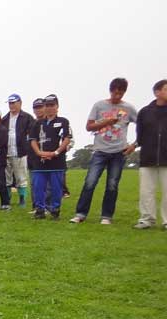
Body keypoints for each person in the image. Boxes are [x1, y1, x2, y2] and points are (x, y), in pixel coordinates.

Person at [70, 77, 138, 224]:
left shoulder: (129, 108)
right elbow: (89, 127)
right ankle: (80, 213)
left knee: (112, 185)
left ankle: (106, 216)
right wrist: (106, 122)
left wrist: (134, 144)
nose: (117, 95)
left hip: (119, 152)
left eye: (121, 93)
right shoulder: (99, 106)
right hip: (100, 150)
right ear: (110, 90)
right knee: (90, 182)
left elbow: (143, 125)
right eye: (115, 92)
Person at [128, 78, 167, 229]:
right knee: (146, 192)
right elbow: (140, 135)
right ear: (157, 92)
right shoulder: (145, 112)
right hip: (147, 158)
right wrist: (134, 145)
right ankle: (146, 220)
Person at [29, 94, 72, 219]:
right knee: (38, 187)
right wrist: (39, 153)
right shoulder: (38, 123)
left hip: (56, 161)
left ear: (57, 106)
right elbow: (32, 140)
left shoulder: (63, 121)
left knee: (56, 188)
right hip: (40, 161)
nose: (49, 108)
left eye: (52, 105)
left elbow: (66, 139)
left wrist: (55, 153)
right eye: (47, 105)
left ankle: (55, 210)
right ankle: (39, 210)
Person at [1, 94, 34, 207]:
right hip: (6, 152)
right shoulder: (4, 119)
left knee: (21, 176)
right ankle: (7, 199)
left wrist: (27, 147)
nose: (11, 105)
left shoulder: (27, 118)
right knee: (7, 177)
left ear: (20, 103)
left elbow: (32, 134)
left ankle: (22, 199)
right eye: (10, 103)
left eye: (13, 103)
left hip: (20, 151)